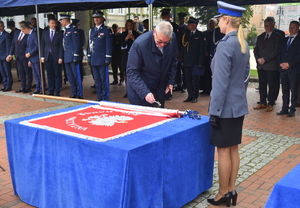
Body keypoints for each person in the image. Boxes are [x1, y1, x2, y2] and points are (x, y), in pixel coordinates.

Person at [207, 1, 250, 207]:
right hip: (238, 106)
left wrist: (214, 112)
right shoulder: (242, 43)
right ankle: (231, 189)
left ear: (225, 20)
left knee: (223, 151)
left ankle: (223, 192)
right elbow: (245, 78)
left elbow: (220, 84)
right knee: (233, 150)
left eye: (219, 20)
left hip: (224, 108)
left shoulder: (225, 45)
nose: (218, 24)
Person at [126, 21, 178, 108]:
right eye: (159, 41)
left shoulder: (173, 39)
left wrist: (170, 81)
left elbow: (173, 61)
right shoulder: (140, 44)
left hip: (160, 87)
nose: (162, 45)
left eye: (166, 43)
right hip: (140, 89)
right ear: (154, 32)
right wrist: (145, 92)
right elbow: (132, 72)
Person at [253, 18, 283, 112]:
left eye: (268, 25)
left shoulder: (278, 37)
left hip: (271, 65)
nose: (267, 27)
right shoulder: (261, 36)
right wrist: (258, 59)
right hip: (261, 66)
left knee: (271, 85)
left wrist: (265, 59)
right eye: (265, 25)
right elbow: (256, 49)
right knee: (262, 84)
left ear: (273, 25)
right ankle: (262, 102)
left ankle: (270, 103)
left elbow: (276, 50)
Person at [87, 10, 113, 101]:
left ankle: (105, 97)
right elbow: (89, 44)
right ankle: (99, 96)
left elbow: (109, 44)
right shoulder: (92, 30)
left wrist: (108, 57)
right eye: (95, 18)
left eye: (98, 17)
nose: (96, 19)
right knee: (97, 80)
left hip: (102, 59)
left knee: (104, 80)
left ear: (102, 19)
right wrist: (89, 56)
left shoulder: (106, 30)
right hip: (94, 58)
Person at [277, 21, 300, 117]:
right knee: (285, 90)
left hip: (293, 69)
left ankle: (292, 109)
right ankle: (284, 108)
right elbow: (279, 53)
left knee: (293, 90)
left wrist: (290, 64)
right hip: (283, 69)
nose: (291, 29)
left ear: (298, 28)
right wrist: (281, 63)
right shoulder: (284, 40)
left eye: (293, 27)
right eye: (290, 27)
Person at [181, 17, 206, 103]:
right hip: (187, 62)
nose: (187, 25)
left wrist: (200, 63)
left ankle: (195, 96)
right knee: (188, 80)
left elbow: (201, 50)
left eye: (189, 24)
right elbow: (183, 48)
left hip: (195, 62)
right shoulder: (186, 34)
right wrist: (183, 60)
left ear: (194, 25)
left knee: (195, 80)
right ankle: (190, 95)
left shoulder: (200, 35)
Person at [60, 14, 82, 99]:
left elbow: (76, 44)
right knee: (70, 76)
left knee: (76, 76)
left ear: (66, 20)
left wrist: (76, 55)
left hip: (73, 56)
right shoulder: (66, 30)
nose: (61, 22)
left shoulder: (73, 29)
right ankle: (74, 91)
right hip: (67, 57)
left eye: (62, 20)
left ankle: (79, 93)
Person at [7, 21, 32, 94]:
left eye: (22, 26)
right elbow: (13, 44)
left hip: (25, 56)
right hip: (18, 56)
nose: (21, 28)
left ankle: (28, 87)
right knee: (21, 72)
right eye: (20, 26)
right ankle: (23, 86)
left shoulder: (27, 34)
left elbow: (28, 45)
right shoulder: (16, 33)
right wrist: (10, 54)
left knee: (28, 72)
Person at [41, 18, 64, 96]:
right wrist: (42, 56)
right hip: (47, 56)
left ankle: (57, 91)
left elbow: (61, 46)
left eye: (55, 23)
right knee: (49, 74)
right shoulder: (45, 33)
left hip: (56, 56)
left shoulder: (60, 33)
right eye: (52, 23)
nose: (53, 25)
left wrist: (60, 57)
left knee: (57, 74)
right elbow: (42, 45)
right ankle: (50, 90)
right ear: (48, 24)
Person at [160, 8, 180, 101]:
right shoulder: (159, 27)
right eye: (163, 16)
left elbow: (177, 42)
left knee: (171, 73)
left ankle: (169, 93)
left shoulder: (174, 27)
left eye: (166, 16)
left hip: (171, 53)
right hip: (162, 54)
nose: (164, 18)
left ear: (169, 17)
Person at [21, 23, 42, 94]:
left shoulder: (34, 34)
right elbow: (27, 46)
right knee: (35, 74)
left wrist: (30, 53)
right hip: (31, 58)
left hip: (35, 57)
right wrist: (27, 55)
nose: (23, 33)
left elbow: (37, 46)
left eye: (23, 31)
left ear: (26, 29)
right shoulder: (29, 35)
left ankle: (41, 88)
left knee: (39, 74)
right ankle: (38, 88)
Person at [120, 19, 140, 93]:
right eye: (128, 25)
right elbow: (121, 45)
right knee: (126, 73)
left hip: (134, 56)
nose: (130, 27)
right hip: (126, 56)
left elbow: (139, 45)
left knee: (134, 73)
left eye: (131, 25)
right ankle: (128, 91)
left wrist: (133, 39)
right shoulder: (123, 34)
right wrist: (126, 39)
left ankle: (134, 90)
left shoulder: (137, 34)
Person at [201, 18, 217, 94]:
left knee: (212, 73)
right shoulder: (205, 33)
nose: (211, 25)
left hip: (213, 56)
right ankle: (205, 89)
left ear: (216, 24)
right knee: (205, 73)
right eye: (210, 23)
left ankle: (211, 89)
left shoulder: (217, 33)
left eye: (213, 23)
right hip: (205, 56)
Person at [174, 12, 188, 93]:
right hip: (177, 51)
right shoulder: (176, 27)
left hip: (183, 51)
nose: (181, 20)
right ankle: (179, 84)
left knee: (184, 69)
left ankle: (184, 86)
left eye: (183, 19)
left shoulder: (186, 28)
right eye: (180, 19)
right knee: (177, 69)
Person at [0, 21, 12, 91]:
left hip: (5, 56)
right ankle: (4, 84)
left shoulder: (7, 35)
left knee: (7, 71)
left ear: (4, 26)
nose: (0, 28)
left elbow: (8, 46)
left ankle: (9, 85)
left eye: (1, 26)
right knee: (2, 71)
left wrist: (8, 55)